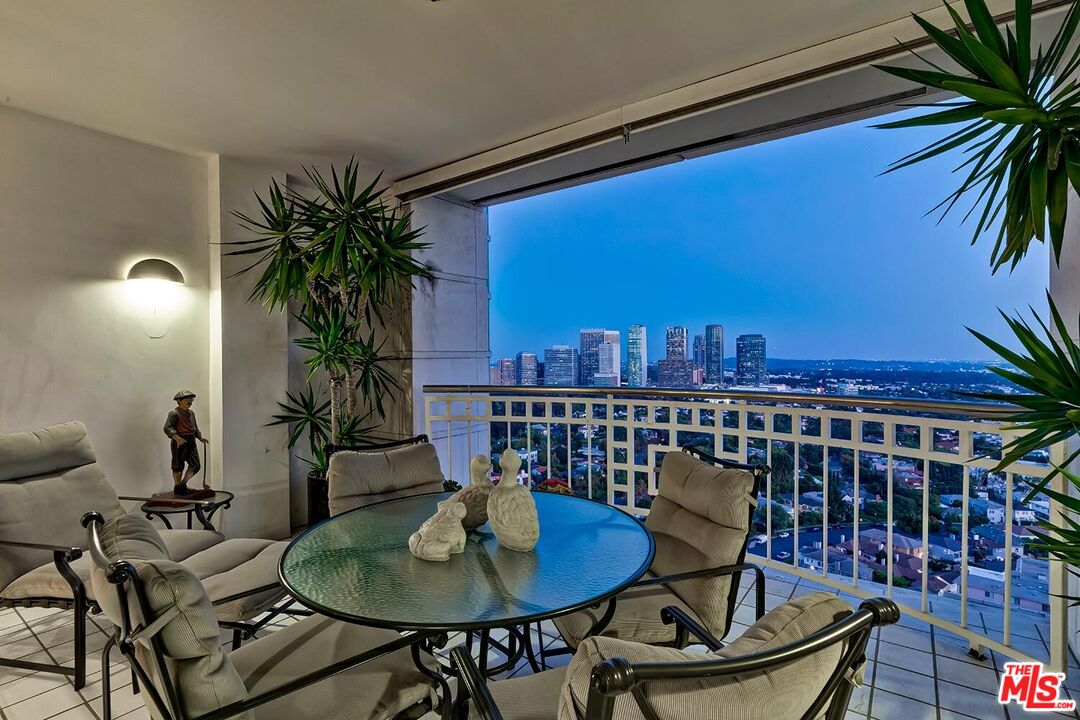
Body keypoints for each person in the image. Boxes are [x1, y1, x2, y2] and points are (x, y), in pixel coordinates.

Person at [164, 390, 208, 495]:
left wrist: (200, 437)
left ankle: (182, 485)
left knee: (196, 465)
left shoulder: (191, 413)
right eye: (187, 399)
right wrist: (177, 437)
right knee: (178, 465)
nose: (190, 401)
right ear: (179, 401)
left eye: (191, 399)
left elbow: (194, 427)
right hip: (179, 442)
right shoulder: (174, 413)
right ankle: (177, 486)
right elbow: (167, 427)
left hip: (191, 441)